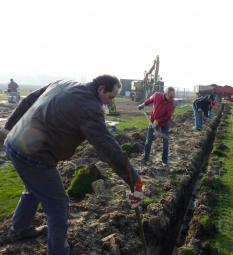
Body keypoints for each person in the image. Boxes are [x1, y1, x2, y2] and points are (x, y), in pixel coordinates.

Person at [3, 75, 143, 255]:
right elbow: (108, 147)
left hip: (14, 143)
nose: (110, 102)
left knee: (33, 190)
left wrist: (9, 129)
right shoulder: (90, 108)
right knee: (59, 204)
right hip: (34, 154)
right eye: (111, 96)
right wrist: (134, 180)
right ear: (101, 89)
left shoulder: (64, 83)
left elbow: (30, 99)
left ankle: (19, 230)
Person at [138, 87, 176, 166]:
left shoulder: (172, 104)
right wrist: (143, 104)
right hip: (152, 121)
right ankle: (146, 158)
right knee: (148, 140)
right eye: (170, 97)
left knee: (165, 141)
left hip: (164, 123)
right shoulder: (157, 95)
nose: (172, 99)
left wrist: (158, 121)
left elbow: (167, 117)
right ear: (165, 94)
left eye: (173, 97)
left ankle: (164, 161)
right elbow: (149, 100)